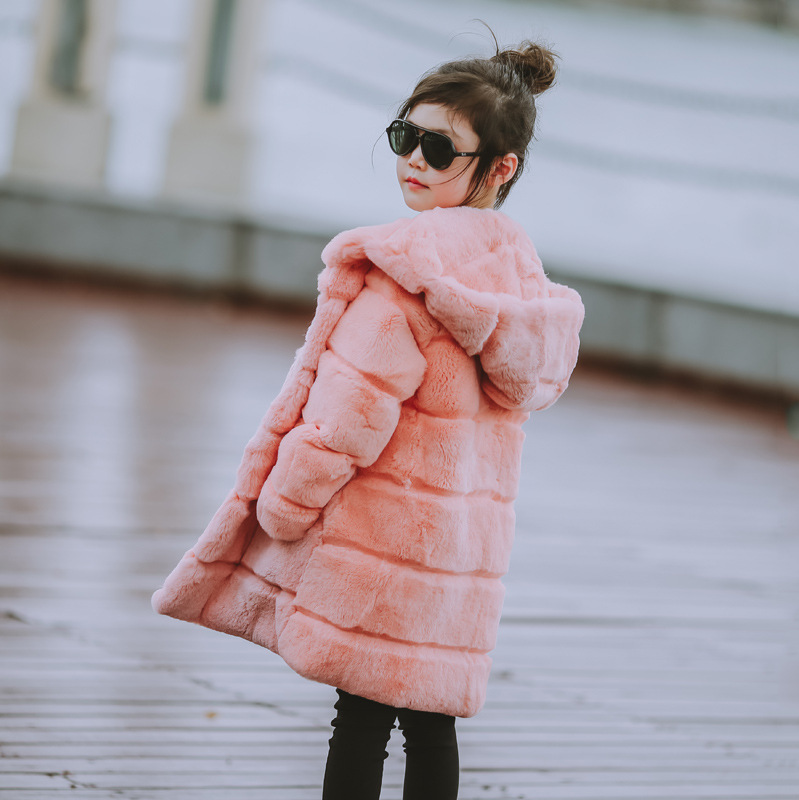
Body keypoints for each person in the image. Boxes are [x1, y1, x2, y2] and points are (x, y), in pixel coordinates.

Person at [152, 34, 585, 800]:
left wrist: (286, 503)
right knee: (431, 719)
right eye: (403, 135)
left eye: (438, 148)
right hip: (456, 557)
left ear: (500, 167)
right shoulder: (521, 284)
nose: (413, 159)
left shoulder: (403, 275)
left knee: (359, 718)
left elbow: (347, 417)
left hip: (380, 546)